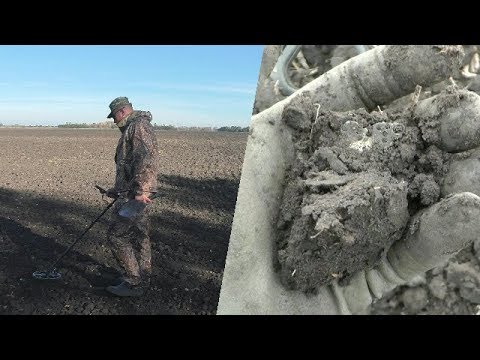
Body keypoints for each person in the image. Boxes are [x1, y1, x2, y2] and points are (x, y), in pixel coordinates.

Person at [103, 96, 159, 297]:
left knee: (116, 236)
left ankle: (134, 281)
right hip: (132, 194)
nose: (114, 121)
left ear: (121, 112)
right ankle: (142, 279)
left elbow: (145, 159)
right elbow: (130, 165)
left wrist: (142, 191)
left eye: (114, 117)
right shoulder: (135, 127)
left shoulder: (138, 127)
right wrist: (116, 190)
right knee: (139, 236)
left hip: (135, 197)